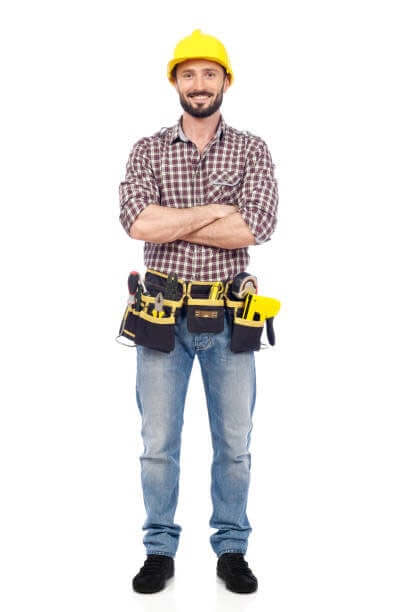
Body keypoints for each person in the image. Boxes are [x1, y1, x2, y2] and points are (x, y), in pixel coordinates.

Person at [118, 28, 279, 594]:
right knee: (157, 446)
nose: (199, 83)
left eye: (209, 73)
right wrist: (216, 210)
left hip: (231, 318)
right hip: (160, 317)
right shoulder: (148, 150)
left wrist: (175, 220)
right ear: (175, 83)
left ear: (225, 80)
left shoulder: (252, 149)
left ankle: (231, 548)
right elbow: (137, 221)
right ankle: (158, 549)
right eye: (188, 74)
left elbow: (257, 225)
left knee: (234, 445)